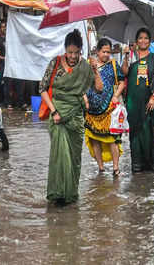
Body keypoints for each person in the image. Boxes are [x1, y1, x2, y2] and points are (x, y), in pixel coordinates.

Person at [40, 29, 103, 204]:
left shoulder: (86, 66)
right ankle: (58, 194)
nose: (73, 56)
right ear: (65, 50)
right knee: (60, 156)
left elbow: (99, 88)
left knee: (74, 158)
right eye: (70, 52)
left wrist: (95, 69)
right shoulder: (55, 63)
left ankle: (70, 193)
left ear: (81, 51)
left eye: (76, 53)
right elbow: (42, 89)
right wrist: (54, 111)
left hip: (76, 118)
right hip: (58, 116)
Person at [122, 28, 154, 173]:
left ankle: (150, 166)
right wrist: (125, 57)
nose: (143, 40)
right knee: (134, 133)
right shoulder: (131, 57)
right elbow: (124, 73)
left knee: (147, 131)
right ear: (136, 41)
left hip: (148, 103)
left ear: (150, 41)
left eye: (146, 38)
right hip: (132, 103)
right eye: (140, 38)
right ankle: (136, 166)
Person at [84, 38, 125, 176]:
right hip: (92, 111)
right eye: (104, 51)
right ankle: (100, 167)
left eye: (109, 52)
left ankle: (115, 167)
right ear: (97, 51)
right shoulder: (88, 65)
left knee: (112, 139)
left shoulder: (113, 65)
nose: (106, 54)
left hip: (108, 109)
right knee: (95, 139)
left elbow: (122, 82)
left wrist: (116, 95)